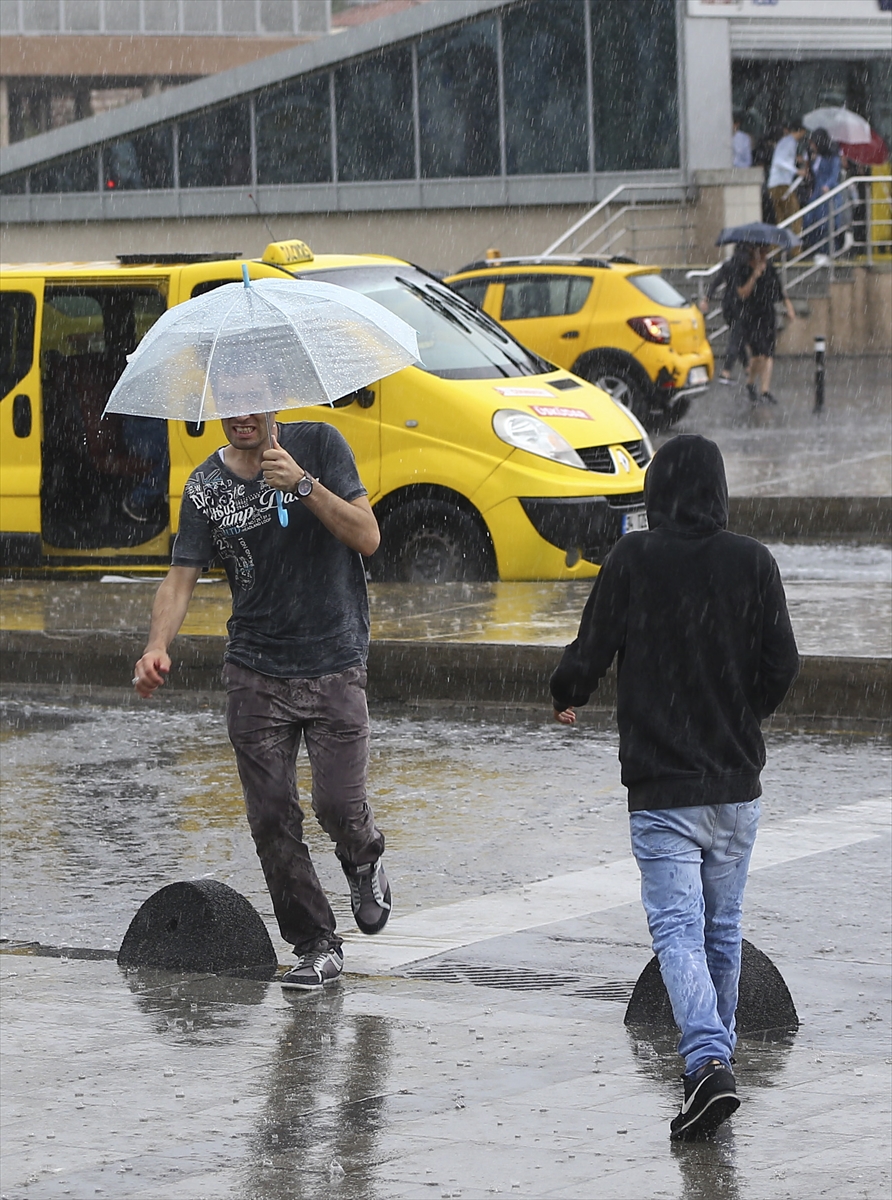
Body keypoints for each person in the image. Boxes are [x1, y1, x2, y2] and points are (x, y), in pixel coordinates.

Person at [550, 434, 799, 1141]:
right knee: (722, 928)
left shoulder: (634, 559)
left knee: (677, 932)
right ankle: (713, 1071)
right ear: (718, 491)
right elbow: (783, 664)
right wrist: (741, 714)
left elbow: (591, 650)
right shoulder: (753, 561)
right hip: (736, 788)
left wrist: (566, 690)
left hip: (664, 790)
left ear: (657, 492)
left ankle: (707, 1062)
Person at [132, 361, 391, 992]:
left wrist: (303, 485)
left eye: (253, 401)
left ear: (275, 399)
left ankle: (363, 859)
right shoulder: (205, 487)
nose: (242, 415)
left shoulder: (320, 446)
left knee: (337, 804)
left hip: (333, 658)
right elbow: (181, 578)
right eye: (231, 403)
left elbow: (368, 537)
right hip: (254, 668)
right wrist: (156, 646)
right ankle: (316, 944)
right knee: (271, 818)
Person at [731, 243, 796, 405]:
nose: (764, 254)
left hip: (768, 314)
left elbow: (780, 290)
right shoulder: (743, 268)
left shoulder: (770, 268)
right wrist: (754, 276)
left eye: (766, 251)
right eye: (762, 250)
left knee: (768, 354)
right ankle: (750, 382)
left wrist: (789, 307)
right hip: (751, 315)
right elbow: (742, 293)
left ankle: (765, 390)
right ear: (753, 251)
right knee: (758, 355)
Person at [699, 243, 751, 385]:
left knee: (738, 336)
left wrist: (707, 298)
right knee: (736, 338)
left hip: (727, 305)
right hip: (741, 305)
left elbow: (717, 282)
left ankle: (747, 367)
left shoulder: (728, 265)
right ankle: (726, 371)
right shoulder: (746, 266)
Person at [806, 127, 845, 252]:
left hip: (828, 192)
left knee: (828, 223)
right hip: (817, 192)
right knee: (811, 220)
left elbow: (834, 174)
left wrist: (827, 185)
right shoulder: (816, 156)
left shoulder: (833, 156)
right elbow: (814, 174)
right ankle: (818, 250)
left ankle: (830, 250)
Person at [766, 119, 807, 234]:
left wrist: (795, 159)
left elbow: (781, 158)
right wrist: (797, 171)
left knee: (781, 218)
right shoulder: (790, 142)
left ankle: (778, 244)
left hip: (775, 184)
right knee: (795, 215)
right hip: (781, 184)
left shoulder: (785, 141)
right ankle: (796, 243)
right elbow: (779, 161)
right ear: (801, 131)